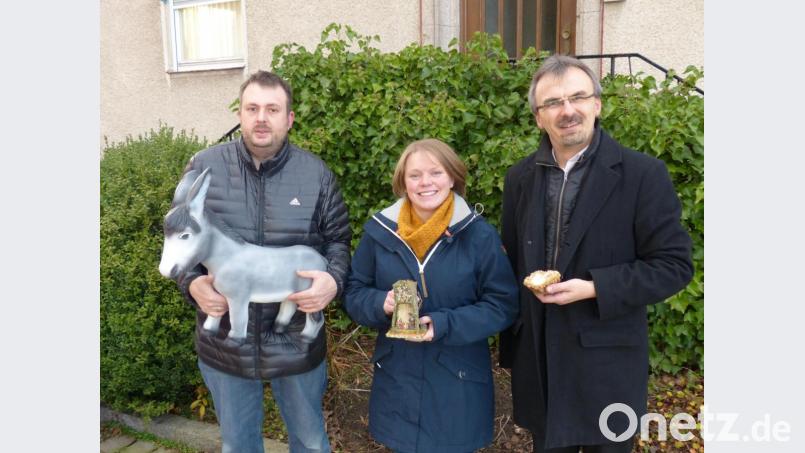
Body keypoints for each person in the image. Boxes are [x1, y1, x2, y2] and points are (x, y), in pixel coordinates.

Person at [499, 55, 694, 452]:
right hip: (541, 360)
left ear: (597, 105)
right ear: (539, 117)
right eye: (553, 102)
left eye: (577, 97)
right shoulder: (520, 177)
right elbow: (513, 261)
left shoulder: (643, 175)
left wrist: (593, 287)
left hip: (608, 362)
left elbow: (673, 266)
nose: (567, 110)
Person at [167, 70, 351, 453]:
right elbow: (178, 241)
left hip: (296, 344)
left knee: (312, 443)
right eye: (252, 108)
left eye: (272, 109)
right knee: (237, 446)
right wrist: (192, 284)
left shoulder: (315, 173)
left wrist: (332, 281)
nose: (261, 118)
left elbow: (338, 241)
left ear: (289, 118)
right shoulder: (204, 166)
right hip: (226, 347)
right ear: (241, 112)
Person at [344, 138, 519, 453]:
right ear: (403, 183)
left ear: (452, 177)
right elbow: (354, 290)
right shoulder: (379, 232)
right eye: (415, 175)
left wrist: (445, 324)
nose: (425, 182)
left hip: (458, 379)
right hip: (398, 376)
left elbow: (502, 304)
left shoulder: (478, 235)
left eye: (436, 173)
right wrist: (378, 303)